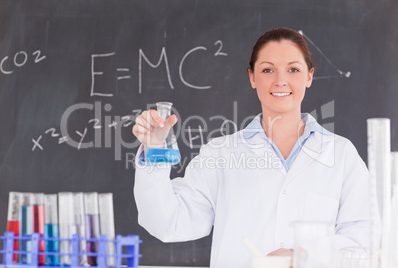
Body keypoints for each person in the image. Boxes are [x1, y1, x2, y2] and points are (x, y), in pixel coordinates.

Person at [132, 27, 381, 268]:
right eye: (267, 70)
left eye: (293, 69)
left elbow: (364, 241)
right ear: (252, 77)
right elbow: (168, 222)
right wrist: (154, 149)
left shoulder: (341, 155)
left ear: (309, 76)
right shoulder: (221, 154)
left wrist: (304, 257)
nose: (281, 80)